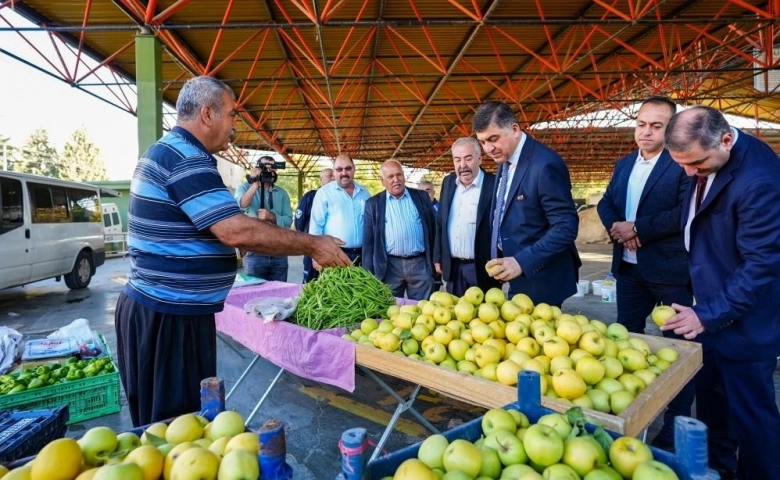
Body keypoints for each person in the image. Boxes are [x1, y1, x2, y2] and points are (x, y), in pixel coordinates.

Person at [114, 76, 350, 426]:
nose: (235, 125)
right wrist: (313, 243)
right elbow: (235, 228)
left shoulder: (174, 152)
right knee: (174, 434)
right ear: (207, 114)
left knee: (176, 432)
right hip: (168, 320)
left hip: (168, 312)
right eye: (232, 114)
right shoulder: (186, 158)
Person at [661, 106, 780, 480]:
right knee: (713, 407)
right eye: (680, 164)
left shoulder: (759, 179)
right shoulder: (707, 160)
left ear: (726, 139)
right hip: (709, 312)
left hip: (743, 323)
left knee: (754, 418)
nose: (689, 172)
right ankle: (719, 469)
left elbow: (760, 265)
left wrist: (708, 314)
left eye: (696, 163)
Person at [596, 95, 693, 450]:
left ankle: (675, 425)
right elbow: (606, 202)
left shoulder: (680, 164)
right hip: (630, 272)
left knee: (681, 351)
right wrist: (618, 228)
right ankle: (631, 415)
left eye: (656, 125)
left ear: (671, 129)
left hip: (669, 271)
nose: (646, 132)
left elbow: (685, 212)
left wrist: (639, 228)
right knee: (625, 341)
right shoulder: (624, 164)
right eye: (641, 124)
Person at [474, 100, 581, 306]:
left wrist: (521, 261)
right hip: (515, 273)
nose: (488, 148)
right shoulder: (505, 161)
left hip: (541, 277)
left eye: (493, 139)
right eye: (482, 142)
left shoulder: (545, 164)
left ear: (514, 129)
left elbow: (565, 227)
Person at [434, 136, 499, 296]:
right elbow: (441, 223)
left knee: (485, 316)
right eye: (457, 160)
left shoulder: (494, 184)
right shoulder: (448, 182)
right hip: (454, 267)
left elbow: (504, 226)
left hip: (483, 267)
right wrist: (438, 256)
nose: (462, 165)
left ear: (479, 158)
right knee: (454, 316)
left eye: (468, 158)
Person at [363, 160, 437, 300]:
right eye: (390, 177)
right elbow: (368, 243)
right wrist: (369, 275)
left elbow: (434, 229)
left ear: (404, 176)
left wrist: (436, 261)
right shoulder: (373, 204)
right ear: (382, 180)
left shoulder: (421, 197)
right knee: (390, 311)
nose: (396, 180)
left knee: (422, 310)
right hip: (389, 266)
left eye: (399, 175)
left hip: (420, 264)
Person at [234, 155, 293, 281]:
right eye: (264, 167)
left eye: (272, 168)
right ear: (257, 168)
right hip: (255, 252)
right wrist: (255, 184)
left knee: (279, 293)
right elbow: (241, 206)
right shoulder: (244, 187)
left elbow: (288, 221)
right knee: (254, 293)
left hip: (279, 252)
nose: (268, 171)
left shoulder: (282, 193)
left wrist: (272, 217)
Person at [309, 154, 370, 266]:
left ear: (354, 168)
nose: (344, 173)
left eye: (348, 168)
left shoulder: (364, 192)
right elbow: (315, 226)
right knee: (336, 284)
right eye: (339, 169)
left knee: (361, 284)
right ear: (334, 172)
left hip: (363, 255)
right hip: (335, 254)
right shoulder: (324, 193)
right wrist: (315, 257)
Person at [294, 167, 334, 282]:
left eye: (333, 176)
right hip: (312, 248)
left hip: (332, 248)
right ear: (321, 180)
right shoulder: (311, 196)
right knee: (310, 283)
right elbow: (299, 222)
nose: (332, 178)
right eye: (329, 176)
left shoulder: (338, 197)